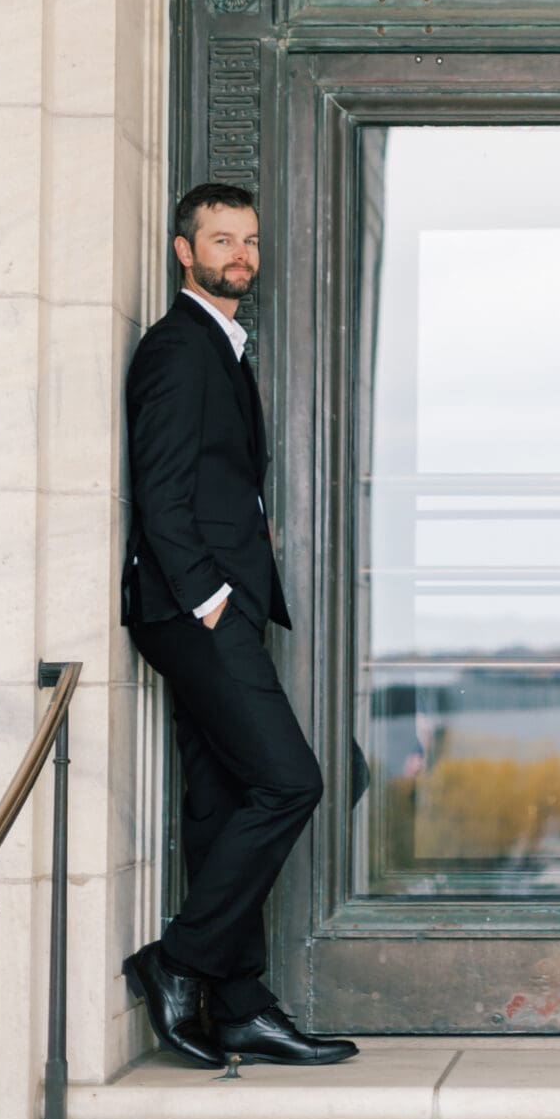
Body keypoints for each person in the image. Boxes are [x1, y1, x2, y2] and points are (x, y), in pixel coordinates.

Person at [119, 182, 358, 1069]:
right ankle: (178, 962)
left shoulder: (222, 346)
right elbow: (159, 487)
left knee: (225, 802)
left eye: (250, 240)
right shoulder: (179, 347)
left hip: (215, 606)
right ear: (185, 251)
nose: (241, 255)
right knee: (292, 782)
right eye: (222, 240)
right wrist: (209, 595)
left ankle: (241, 1004)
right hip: (195, 610)